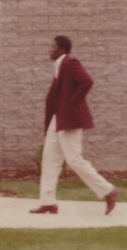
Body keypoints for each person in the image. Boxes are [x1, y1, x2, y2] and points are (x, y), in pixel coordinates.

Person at [30, 35, 120, 215]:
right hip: (58, 120)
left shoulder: (70, 63)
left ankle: (108, 191)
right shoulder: (59, 66)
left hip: (68, 120)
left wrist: (72, 105)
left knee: (74, 160)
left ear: (62, 49)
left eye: (53, 47)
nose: (50, 49)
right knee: (49, 160)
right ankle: (48, 203)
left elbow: (87, 81)